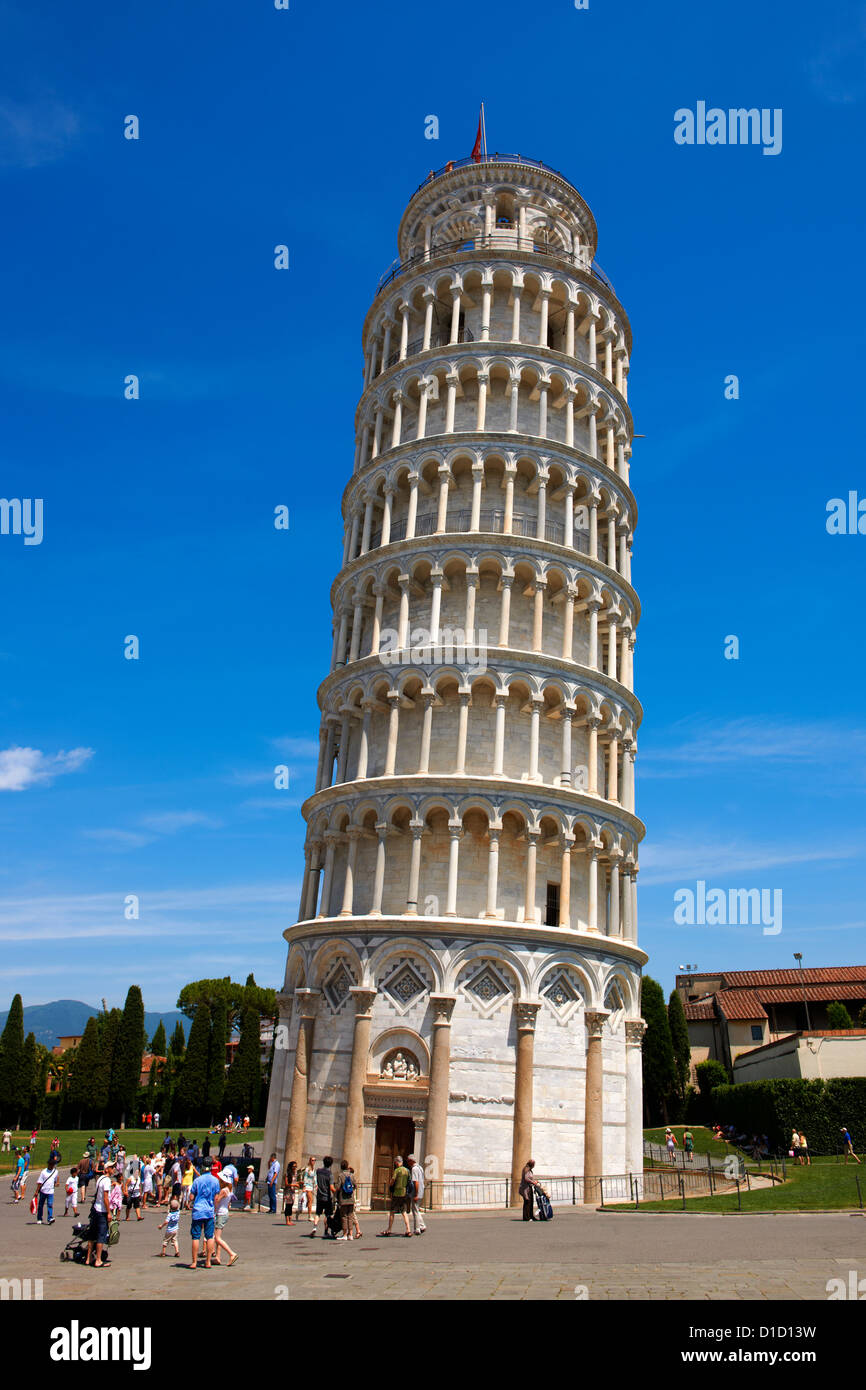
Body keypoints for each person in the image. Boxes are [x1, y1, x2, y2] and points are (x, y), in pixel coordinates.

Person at [188, 1164, 220, 1269]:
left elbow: (192, 1196)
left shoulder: (197, 1180)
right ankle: (208, 1261)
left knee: (196, 1236)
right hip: (209, 1210)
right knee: (209, 1236)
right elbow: (216, 1197)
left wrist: (191, 1198)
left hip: (198, 1209)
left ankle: (194, 1262)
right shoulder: (215, 1181)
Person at [86, 1160, 114, 1267]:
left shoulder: (100, 1179)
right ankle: (98, 1260)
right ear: (107, 1169)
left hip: (95, 1209)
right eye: (112, 1167)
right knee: (101, 1235)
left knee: (91, 1234)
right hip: (102, 1210)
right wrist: (109, 1212)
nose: (113, 1169)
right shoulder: (106, 1180)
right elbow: (106, 1198)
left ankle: (88, 1258)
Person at [379, 1155, 412, 1237]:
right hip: (404, 1193)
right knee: (404, 1212)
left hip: (397, 1193)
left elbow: (393, 1180)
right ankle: (408, 1229)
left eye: (395, 1162)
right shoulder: (407, 1170)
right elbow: (409, 1181)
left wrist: (390, 1186)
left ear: (397, 1162)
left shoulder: (397, 1170)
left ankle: (389, 1229)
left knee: (392, 1211)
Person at [213, 1172, 239, 1266]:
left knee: (217, 1238)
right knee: (218, 1236)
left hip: (221, 1213)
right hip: (224, 1212)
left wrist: (215, 1196)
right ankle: (218, 1257)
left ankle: (231, 1253)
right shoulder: (229, 1190)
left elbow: (217, 1200)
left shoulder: (224, 1190)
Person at [310, 1156, 335, 1237]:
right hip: (327, 1197)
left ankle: (314, 1227)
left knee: (318, 1213)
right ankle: (325, 1232)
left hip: (319, 1196)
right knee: (327, 1215)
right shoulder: (330, 1174)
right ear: (331, 1164)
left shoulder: (318, 1171)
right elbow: (331, 1188)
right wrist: (337, 1192)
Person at [35, 1156, 60, 1224]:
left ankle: (50, 1218)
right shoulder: (43, 1172)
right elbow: (39, 1182)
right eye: (51, 1164)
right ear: (48, 1164)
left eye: (53, 1165)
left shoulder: (55, 1171)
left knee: (50, 1204)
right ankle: (39, 1218)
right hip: (43, 1191)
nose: (52, 1166)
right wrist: (37, 1191)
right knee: (41, 1205)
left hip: (50, 1191)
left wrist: (57, 1183)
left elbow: (56, 1178)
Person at [335, 1160, 356, 1241]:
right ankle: (350, 1234)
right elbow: (355, 1185)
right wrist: (350, 1190)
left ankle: (344, 1234)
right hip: (351, 1198)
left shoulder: (341, 1175)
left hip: (343, 1199)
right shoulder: (351, 1175)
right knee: (350, 1216)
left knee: (344, 1217)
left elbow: (337, 1187)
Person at [408, 1153, 427, 1233]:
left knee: (415, 1211)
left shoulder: (414, 1169)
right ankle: (422, 1226)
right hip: (421, 1191)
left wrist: (415, 1194)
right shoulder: (420, 1168)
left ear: (411, 1161)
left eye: (408, 1161)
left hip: (416, 1192)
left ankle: (417, 1229)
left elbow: (415, 1182)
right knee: (416, 1209)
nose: (408, 1162)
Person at [299, 1156, 316, 1223]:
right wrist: (304, 1186)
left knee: (310, 1200)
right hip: (307, 1186)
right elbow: (305, 1177)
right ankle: (310, 1215)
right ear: (310, 1161)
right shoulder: (307, 1169)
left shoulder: (314, 1169)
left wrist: (316, 1184)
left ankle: (307, 1207)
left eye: (314, 1160)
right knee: (310, 1200)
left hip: (311, 1186)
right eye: (312, 1160)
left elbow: (315, 1177)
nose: (313, 1161)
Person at [283, 1161, 298, 1225]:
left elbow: (294, 1182)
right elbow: (286, 1184)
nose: (295, 1168)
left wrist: (298, 1183)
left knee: (291, 1205)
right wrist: (294, 1185)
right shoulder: (287, 1174)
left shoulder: (295, 1173)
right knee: (288, 1206)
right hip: (288, 1191)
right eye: (294, 1166)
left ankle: (290, 1220)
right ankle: (287, 1221)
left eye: (295, 1166)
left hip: (292, 1191)